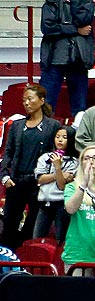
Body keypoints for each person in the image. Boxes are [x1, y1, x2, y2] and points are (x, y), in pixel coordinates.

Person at [0, 84, 62, 246]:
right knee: (9, 223)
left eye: (30, 99)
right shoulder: (17, 126)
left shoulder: (52, 126)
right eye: (24, 100)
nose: (26, 103)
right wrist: (5, 175)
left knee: (32, 224)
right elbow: (8, 153)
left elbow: (58, 151)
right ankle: (8, 260)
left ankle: (27, 261)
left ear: (41, 101)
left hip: (39, 183)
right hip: (16, 180)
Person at [39, 0, 93, 113]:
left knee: (79, 107)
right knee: (46, 105)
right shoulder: (51, 3)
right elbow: (47, 28)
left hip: (78, 60)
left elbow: (83, 20)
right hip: (53, 61)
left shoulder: (86, 2)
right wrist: (76, 30)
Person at [32, 124, 77, 244]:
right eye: (57, 136)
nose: (60, 140)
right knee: (37, 239)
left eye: (64, 137)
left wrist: (57, 166)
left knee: (60, 241)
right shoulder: (45, 158)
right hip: (44, 204)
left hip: (61, 205)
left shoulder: (74, 162)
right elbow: (40, 179)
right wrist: (60, 175)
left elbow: (62, 186)